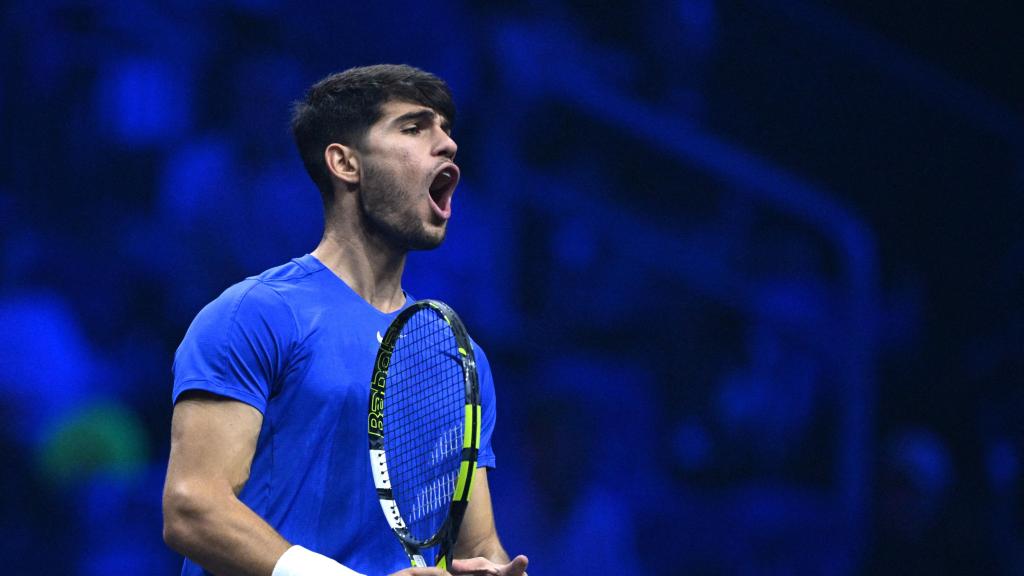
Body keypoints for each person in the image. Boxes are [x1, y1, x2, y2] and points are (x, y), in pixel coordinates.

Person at [162, 64, 529, 576]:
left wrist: (490, 571)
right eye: (415, 127)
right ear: (345, 164)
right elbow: (192, 508)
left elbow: (478, 546)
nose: (447, 144)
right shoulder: (256, 314)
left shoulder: (459, 357)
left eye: (447, 129)